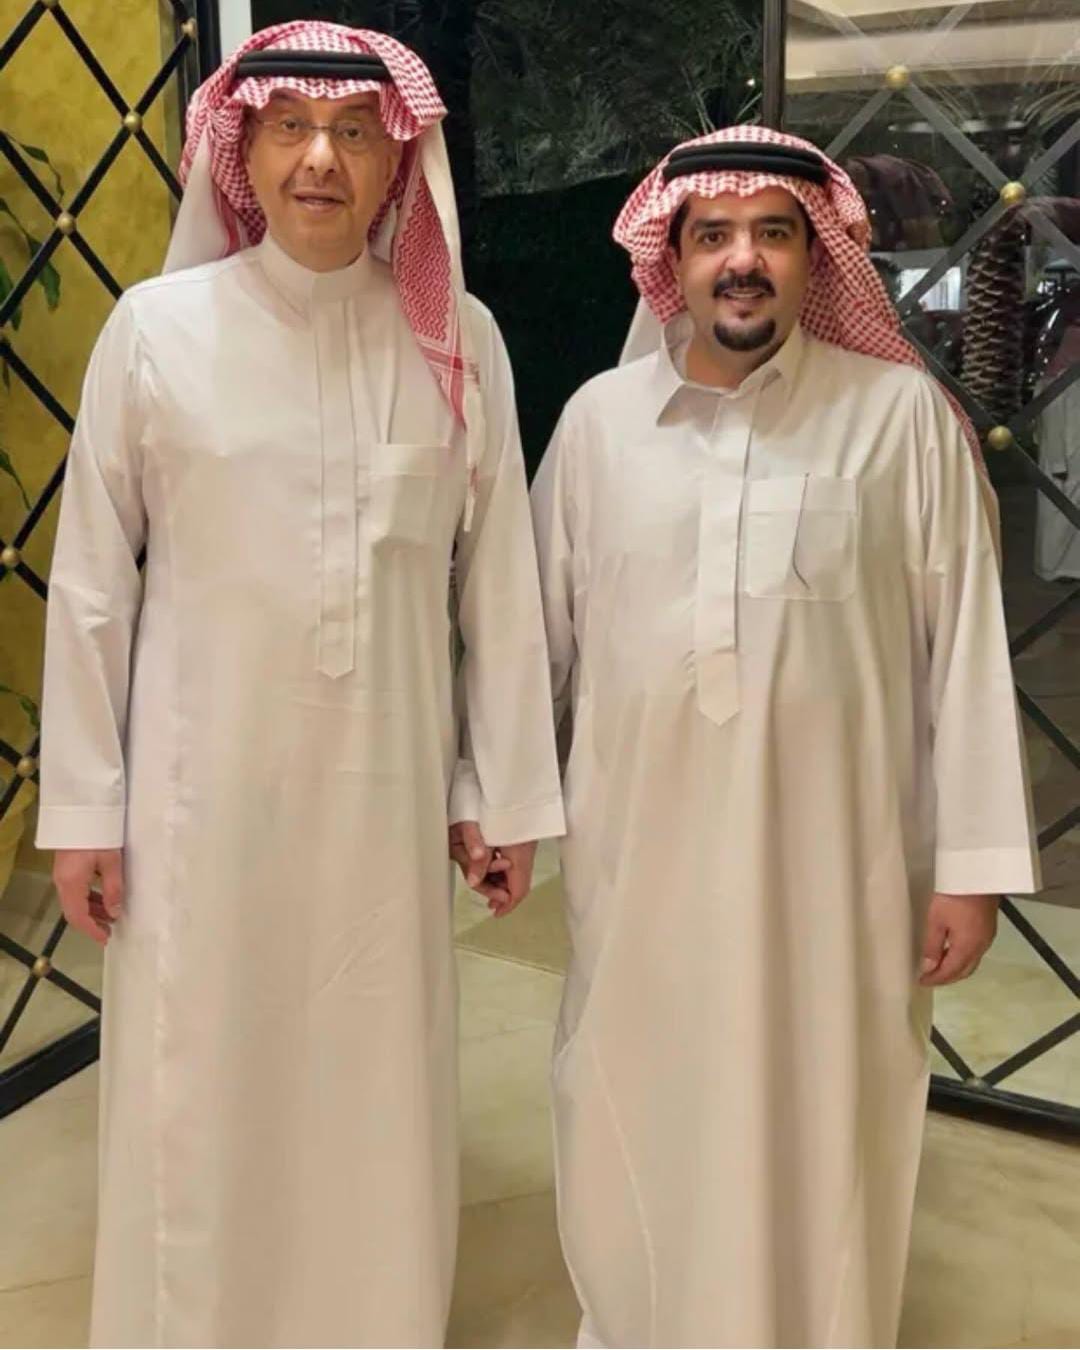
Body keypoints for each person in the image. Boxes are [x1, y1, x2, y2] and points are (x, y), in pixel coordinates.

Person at [37, 21, 563, 1347]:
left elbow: (495, 582)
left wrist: (499, 793)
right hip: (196, 809)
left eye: (353, 133)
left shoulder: (458, 340)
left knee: (371, 1078)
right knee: (202, 1077)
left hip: (384, 810)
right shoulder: (155, 333)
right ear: (243, 149)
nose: (320, 159)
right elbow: (93, 584)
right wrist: (85, 809)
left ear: (399, 161)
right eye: (290, 128)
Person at [530, 126, 1039, 1349]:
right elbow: (532, 644)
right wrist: (496, 802)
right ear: (673, 260)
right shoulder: (599, 426)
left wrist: (971, 868)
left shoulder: (899, 420)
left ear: (820, 258)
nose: (742, 260)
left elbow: (965, 656)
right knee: (632, 1092)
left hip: (838, 873)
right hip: (640, 864)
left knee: (827, 1110)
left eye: (773, 233)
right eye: (713, 235)